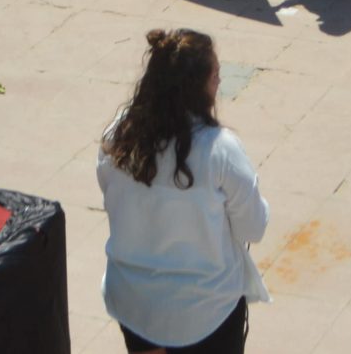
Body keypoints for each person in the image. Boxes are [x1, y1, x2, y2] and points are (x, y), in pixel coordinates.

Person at [97, 28, 269, 354]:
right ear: (197, 87)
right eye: (216, 74)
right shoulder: (220, 149)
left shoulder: (118, 133)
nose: (219, 82)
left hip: (135, 302)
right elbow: (253, 227)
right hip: (205, 312)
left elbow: (109, 194)